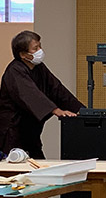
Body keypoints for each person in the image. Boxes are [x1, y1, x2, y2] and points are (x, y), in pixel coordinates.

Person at [0, 30, 83, 158]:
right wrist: (56, 110)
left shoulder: (39, 68)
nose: (40, 50)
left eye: (40, 46)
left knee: (38, 165)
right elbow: (30, 94)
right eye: (35, 48)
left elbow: (58, 90)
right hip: (13, 132)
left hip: (30, 131)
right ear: (23, 54)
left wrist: (84, 111)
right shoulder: (14, 71)